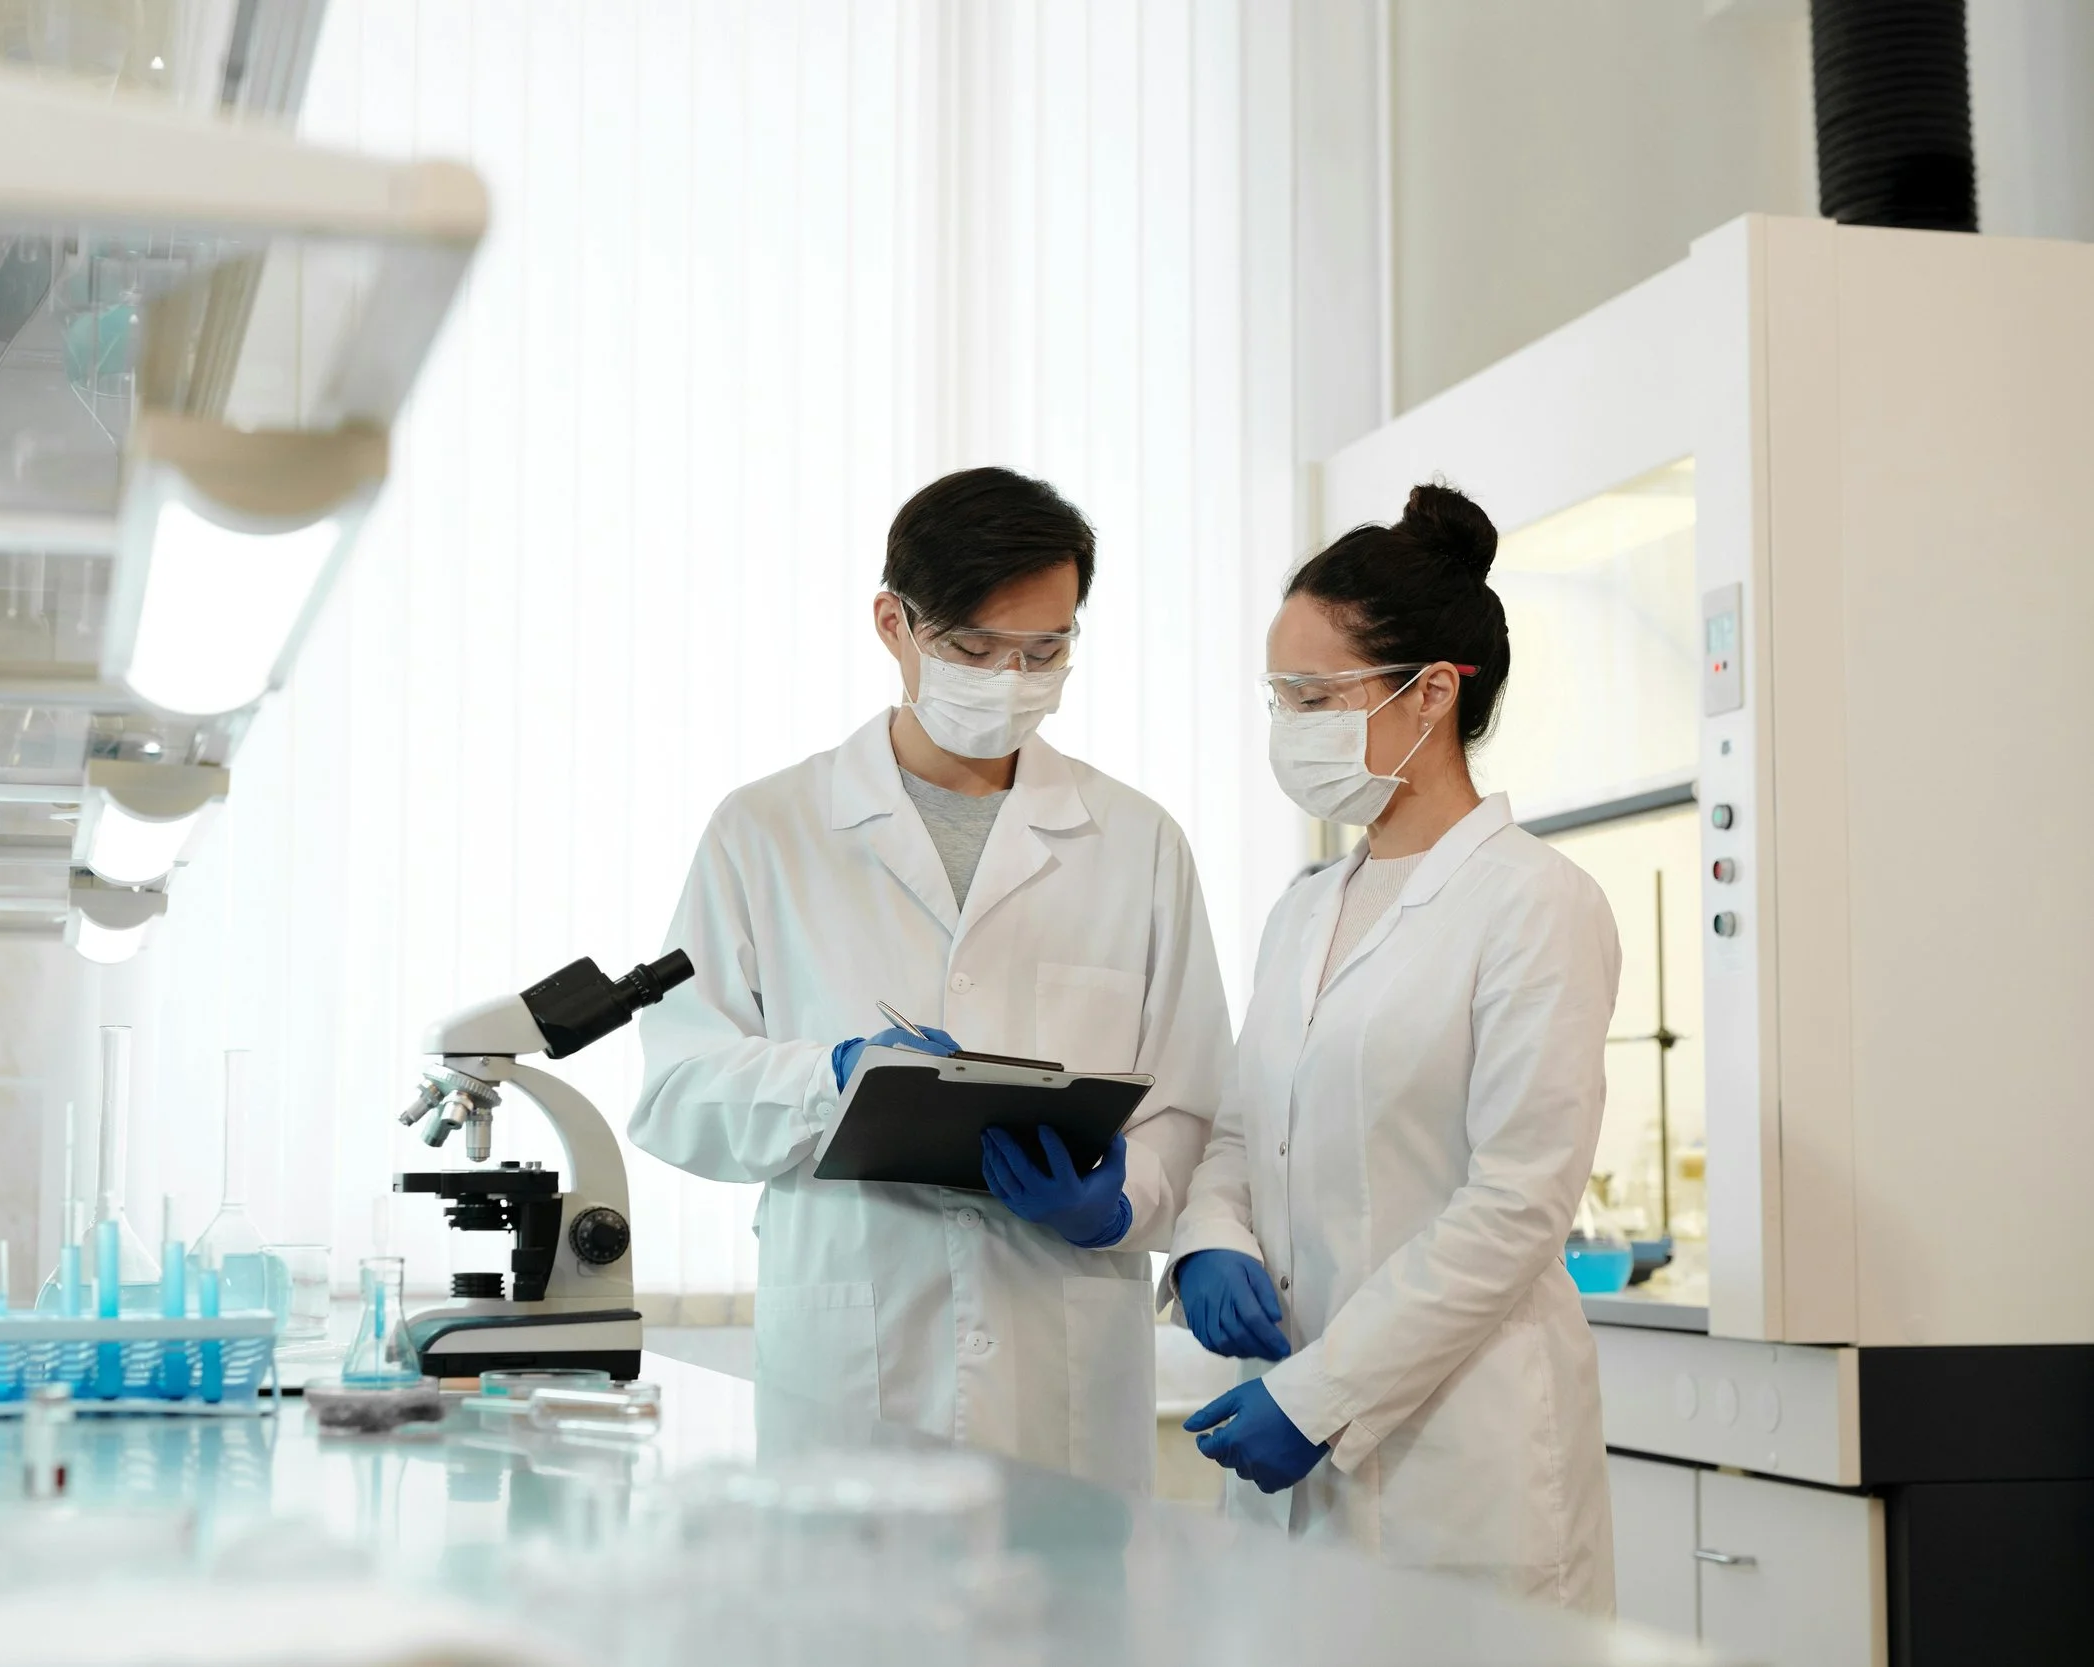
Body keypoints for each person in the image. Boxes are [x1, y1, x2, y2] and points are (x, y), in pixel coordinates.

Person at [631, 466, 1233, 1492]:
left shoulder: (1135, 842)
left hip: (1062, 1374)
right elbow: (677, 1087)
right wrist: (834, 1075)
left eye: (1044, 650)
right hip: (855, 1377)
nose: (1009, 678)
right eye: (972, 648)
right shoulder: (768, 830)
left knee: (1068, 1635)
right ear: (892, 623)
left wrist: (1118, 1200)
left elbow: (1193, 1098)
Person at [1168, 482, 1619, 1611]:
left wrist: (1322, 1393)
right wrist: (1206, 1237)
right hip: (1294, 1453)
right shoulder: (1304, 905)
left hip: (1460, 1462)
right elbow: (1238, 1125)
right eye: (1278, 697)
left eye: (1314, 695)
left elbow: (1516, 1202)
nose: (1287, 728)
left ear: (1430, 694)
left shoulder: (1535, 902)